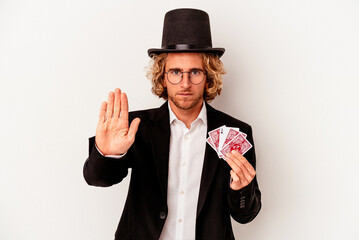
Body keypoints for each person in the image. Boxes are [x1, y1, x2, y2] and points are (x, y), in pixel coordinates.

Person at [83, 8, 261, 240]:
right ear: (162, 77)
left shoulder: (235, 133)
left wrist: (241, 189)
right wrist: (106, 153)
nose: (185, 83)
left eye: (195, 72)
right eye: (176, 72)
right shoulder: (136, 127)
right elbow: (97, 178)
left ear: (208, 77)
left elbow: (246, 214)